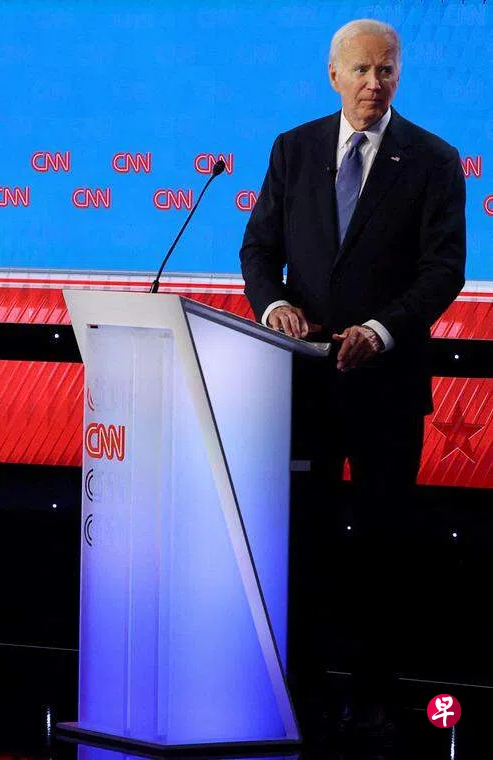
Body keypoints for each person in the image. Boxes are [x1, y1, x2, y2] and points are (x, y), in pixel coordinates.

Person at [239, 19, 466, 692]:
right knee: (299, 537)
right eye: (362, 69)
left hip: (386, 389)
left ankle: (375, 695)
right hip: (304, 386)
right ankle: (296, 685)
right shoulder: (294, 149)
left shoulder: (433, 158)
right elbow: (259, 250)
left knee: (382, 544)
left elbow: (443, 269)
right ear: (333, 74)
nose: (374, 82)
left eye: (386, 70)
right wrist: (274, 307)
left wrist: (380, 329)